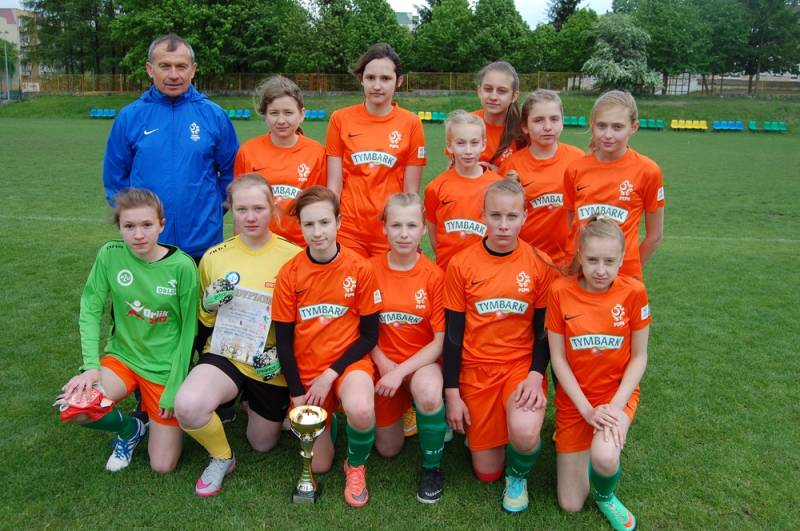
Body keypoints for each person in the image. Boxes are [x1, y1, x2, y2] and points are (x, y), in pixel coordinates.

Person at [173, 175, 301, 497]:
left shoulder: (294, 257)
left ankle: (252, 404)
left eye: (259, 208)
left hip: (268, 362)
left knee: (262, 444)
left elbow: (304, 322)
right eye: (242, 209)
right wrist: (207, 305)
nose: (250, 216)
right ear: (231, 208)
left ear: (273, 207)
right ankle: (222, 457)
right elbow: (204, 318)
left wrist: (283, 357)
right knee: (188, 406)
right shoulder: (215, 257)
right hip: (225, 353)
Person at [59, 188, 198, 473]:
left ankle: (154, 414)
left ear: (162, 225)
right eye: (129, 226)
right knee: (78, 408)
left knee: (162, 465)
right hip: (122, 359)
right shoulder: (110, 255)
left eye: (147, 225)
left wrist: (175, 386)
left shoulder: (183, 267)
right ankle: (130, 428)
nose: (138, 235)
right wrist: (90, 366)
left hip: (163, 369)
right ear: (119, 227)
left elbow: (189, 331)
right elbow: (90, 308)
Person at [443, 179, 556, 513]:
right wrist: (452, 393)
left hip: (519, 369)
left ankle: (517, 476)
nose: (504, 225)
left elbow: (544, 332)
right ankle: (488, 431)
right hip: (476, 371)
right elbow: (453, 335)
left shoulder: (539, 263)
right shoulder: (461, 264)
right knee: (486, 473)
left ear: (525, 217)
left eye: (512, 216)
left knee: (524, 433)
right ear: (482, 216)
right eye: (495, 216)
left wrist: (536, 374)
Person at [272, 186, 381, 508]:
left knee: (361, 409)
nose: (317, 232)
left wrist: (331, 374)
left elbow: (369, 336)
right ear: (300, 227)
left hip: (348, 365)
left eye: (324, 222)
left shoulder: (360, 268)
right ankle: (327, 422)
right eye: (309, 224)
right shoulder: (289, 273)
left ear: (339, 222)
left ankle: (356, 466)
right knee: (318, 465)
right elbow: (284, 341)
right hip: (307, 368)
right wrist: (296, 393)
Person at [547, 216, 650, 531]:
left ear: (622, 259)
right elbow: (558, 359)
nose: (601, 270)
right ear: (580, 256)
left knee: (604, 457)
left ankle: (606, 495)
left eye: (609, 261)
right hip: (577, 402)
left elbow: (639, 357)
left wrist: (614, 409)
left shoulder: (634, 292)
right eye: (592, 260)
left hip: (615, 395)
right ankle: (581, 442)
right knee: (571, 504)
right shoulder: (559, 292)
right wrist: (586, 410)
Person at [103, 33, 239, 261]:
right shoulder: (130, 117)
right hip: (148, 245)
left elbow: (232, 173)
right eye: (165, 66)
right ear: (150, 69)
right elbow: (115, 178)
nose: (174, 75)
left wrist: (212, 210)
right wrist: (137, 221)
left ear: (193, 70)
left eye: (181, 66)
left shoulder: (214, 115)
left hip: (203, 244)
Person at [370, 193, 447, 504]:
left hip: (421, 364)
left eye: (412, 225)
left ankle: (432, 467)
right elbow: (361, 329)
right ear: (384, 228)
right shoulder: (368, 270)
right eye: (396, 225)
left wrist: (400, 372)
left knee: (428, 392)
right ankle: (404, 410)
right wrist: (382, 362)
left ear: (423, 229)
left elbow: (439, 342)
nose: (404, 234)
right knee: (388, 449)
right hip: (383, 363)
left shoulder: (435, 276)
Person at [326, 42, 426, 257]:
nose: (377, 86)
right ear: (361, 79)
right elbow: (334, 184)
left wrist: (410, 231)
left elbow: (410, 191)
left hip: (390, 230)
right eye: (370, 77)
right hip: (349, 230)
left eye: (386, 78)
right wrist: (330, 222)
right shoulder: (340, 119)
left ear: (399, 81)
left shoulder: (411, 123)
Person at [563, 90, 665, 280]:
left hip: (624, 276)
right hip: (578, 273)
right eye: (601, 126)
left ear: (633, 127)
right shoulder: (574, 169)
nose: (608, 134)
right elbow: (570, 223)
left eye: (617, 127)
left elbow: (655, 236)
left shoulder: (648, 171)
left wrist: (629, 268)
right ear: (592, 125)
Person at [234, 75, 327, 246]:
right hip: (260, 245)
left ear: (302, 114)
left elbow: (320, 204)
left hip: (302, 245)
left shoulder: (317, 152)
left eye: (288, 113)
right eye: (274, 113)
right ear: (265, 115)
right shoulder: (248, 151)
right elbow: (240, 205)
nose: (281, 120)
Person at [500, 89, 584, 265]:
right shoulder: (512, 165)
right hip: (527, 260)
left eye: (554, 119)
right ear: (525, 126)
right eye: (538, 120)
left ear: (562, 122)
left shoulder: (578, 159)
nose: (547, 127)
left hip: (569, 259)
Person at [424, 110, 502, 272]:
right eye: (460, 143)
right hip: (447, 271)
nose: (468, 150)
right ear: (449, 146)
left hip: (484, 272)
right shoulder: (436, 187)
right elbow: (434, 234)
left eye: (474, 143)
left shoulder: (497, 186)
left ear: (483, 144)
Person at [472, 61, 523, 171]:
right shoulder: (466, 124)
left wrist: (498, 173)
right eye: (488, 89)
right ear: (479, 91)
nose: (493, 97)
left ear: (514, 96)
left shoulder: (523, 130)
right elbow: (452, 170)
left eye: (502, 91)